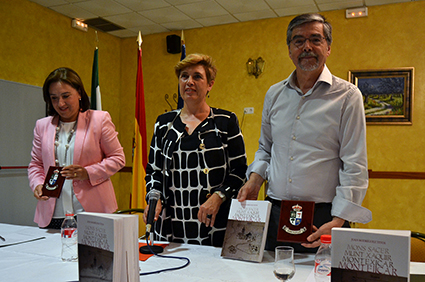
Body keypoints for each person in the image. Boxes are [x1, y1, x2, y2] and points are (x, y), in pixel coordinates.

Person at [237, 13, 372, 252]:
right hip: (276, 212)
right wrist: (255, 180)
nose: (307, 47)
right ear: (290, 50)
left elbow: (354, 163)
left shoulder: (348, 96)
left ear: (328, 47)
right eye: (298, 41)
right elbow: (266, 148)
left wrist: (339, 219)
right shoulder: (274, 95)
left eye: (315, 39)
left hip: (324, 218)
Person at [143, 53, 247, 247]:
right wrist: (154, 197)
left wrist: (219, 196)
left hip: (213, 225)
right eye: (184, 76)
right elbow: (153, 171)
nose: (189, 81)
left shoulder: (225, 122)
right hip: (169, 227)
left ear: (210, 84)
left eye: (197, 76)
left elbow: (240, 171)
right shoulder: (164, 123)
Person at [28, 67, 125, 229]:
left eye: (66, 96)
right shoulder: (42, 126)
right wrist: (37, 184)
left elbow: (118, 158)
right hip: (53, 213)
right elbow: (36, 165)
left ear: (79, 93)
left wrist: (87, 173)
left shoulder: (99, 120)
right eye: (54, 98)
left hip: (90, 211)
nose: (60, 103)